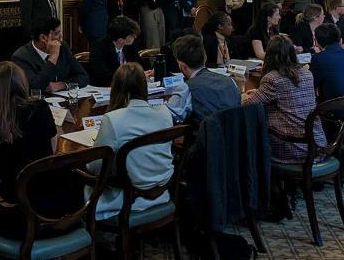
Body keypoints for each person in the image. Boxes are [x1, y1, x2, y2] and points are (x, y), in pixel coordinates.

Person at [0, 62, 79, 237]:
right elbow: (53, 151)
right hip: (56, 209)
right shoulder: (40, 108)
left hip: (15, 213)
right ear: (22, 83)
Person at [89, 62, 174, 220]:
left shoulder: (113, 119)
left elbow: (96, 167)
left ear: (116, 88)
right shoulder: (165, 112)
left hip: (126, 198)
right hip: (162, 191)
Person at [243, 35, 325, 162]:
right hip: (317, 143)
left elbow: (248, 105)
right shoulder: (307, 74)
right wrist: (258, 92)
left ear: (269, 56)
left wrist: (243, 94)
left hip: (292, 146)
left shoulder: (272, 78)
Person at [166, 34, 239, 124]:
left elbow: (167, 119)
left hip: (205, 137)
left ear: (182, 66)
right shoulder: (231, 81)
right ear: (205, 58)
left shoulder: (186, 89)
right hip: (233, 137)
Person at [11, 17, 89, 93]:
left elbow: (83, 77)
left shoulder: (63, 47)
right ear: (43, 38)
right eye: (57, 34)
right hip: (38, 104)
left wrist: (62, 85)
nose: (61, 37)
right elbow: (35, 88)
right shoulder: (21, 57)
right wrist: (53, 57)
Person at [89, 16, 142, 86]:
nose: (135, 37)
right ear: (120, 40)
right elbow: (103, 75)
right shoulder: (99, 48)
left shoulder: (130, 46)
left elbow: (138, 64)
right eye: (132, 35)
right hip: (106, 88)